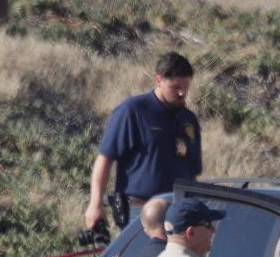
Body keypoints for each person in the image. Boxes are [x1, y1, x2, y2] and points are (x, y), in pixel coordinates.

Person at [84, 52, 202, 232]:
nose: (181, 93)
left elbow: (193, 172)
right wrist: (95, 205)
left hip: (179, 213)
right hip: (140, 211)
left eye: (185, 87)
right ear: (159, 80)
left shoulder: (189, 119)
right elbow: (105, 159)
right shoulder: (133, 111)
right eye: (175, 86)